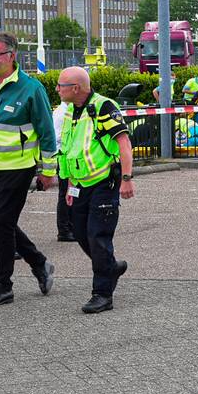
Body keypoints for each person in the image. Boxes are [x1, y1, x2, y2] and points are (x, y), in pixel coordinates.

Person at [0, 31, 58, 308]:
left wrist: (48, 170)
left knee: (1, 223)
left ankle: (3, 285)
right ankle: (39, 263)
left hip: (19, 167)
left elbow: (47, 133)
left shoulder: (31, 88)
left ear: (12, 56)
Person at [55, 66, 136, 314]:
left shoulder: (103, 107)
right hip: (80, 184)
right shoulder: (69, 111)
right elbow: (68, 149)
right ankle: (111, 267)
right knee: (80, 234)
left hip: (104, 182)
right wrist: (69, 184)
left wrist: (126, 178)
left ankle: (102, 294)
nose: (57, 89)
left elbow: (124, 143)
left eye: (61, 85)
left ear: (76, 88)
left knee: (98, 237)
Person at [52, 100, 75, 242]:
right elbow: (58, 138)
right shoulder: (62, 113)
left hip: (70, 159)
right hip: (65, 159)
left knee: (72, 193)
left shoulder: (69, 111)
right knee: (66, 193)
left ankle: (70, 228)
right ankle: (64, 230)